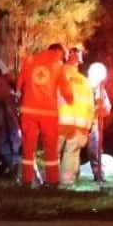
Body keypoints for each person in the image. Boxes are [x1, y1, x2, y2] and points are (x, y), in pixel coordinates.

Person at [15, 44, 74, 188]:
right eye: (63, 55)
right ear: (58, 51)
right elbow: (66, 88)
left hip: (29, 111)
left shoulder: (29, 61)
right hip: (49, 113)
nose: (63, 58)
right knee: (51, 148)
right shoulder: (58, 65)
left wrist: (18, 99)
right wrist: (70, 99)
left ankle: (26, 180)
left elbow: (19, 83)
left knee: (28, 147)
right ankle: (52, 181)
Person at [56, 48, 94, 186]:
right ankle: (67, 182)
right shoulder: (85, 81)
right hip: (80, 123)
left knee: (53, 151)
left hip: (60, 119)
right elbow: (91, 105)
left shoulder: (58, 74)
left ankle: (51, 181)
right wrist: (89, 125)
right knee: (72, 153)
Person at [86, 62, 111, 183]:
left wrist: (101, 105)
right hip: (78, 122)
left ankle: (98, 174)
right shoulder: (82, 86)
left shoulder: (101, 91)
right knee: (70, 151)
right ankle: (64, 174)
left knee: (94, 151)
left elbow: (106, 110)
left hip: (93, 124)